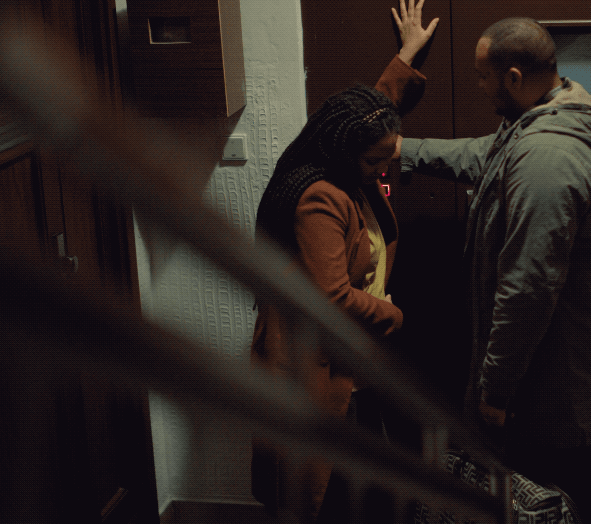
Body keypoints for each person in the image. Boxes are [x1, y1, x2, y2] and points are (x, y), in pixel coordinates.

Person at [395, 17, 591, 522]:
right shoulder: (545, 118)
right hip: (546, 385)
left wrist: (494, 390)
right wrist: (403, 153)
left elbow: (528, 288)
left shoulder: (547, 157)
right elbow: (484, 155)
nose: (479, 87)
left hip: (548, 395)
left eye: (484, 77)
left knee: (544, 505)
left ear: (515, 77)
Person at [250, 2, 438, 522]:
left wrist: (405, 54)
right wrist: (393, 315)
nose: (384, 167)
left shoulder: (347, 148)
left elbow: (375, 109)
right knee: (330, 490)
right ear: (345, 153)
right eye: (376, 160)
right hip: (320, 364)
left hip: (353, 356)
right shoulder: (320, 198)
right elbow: (330, 296)